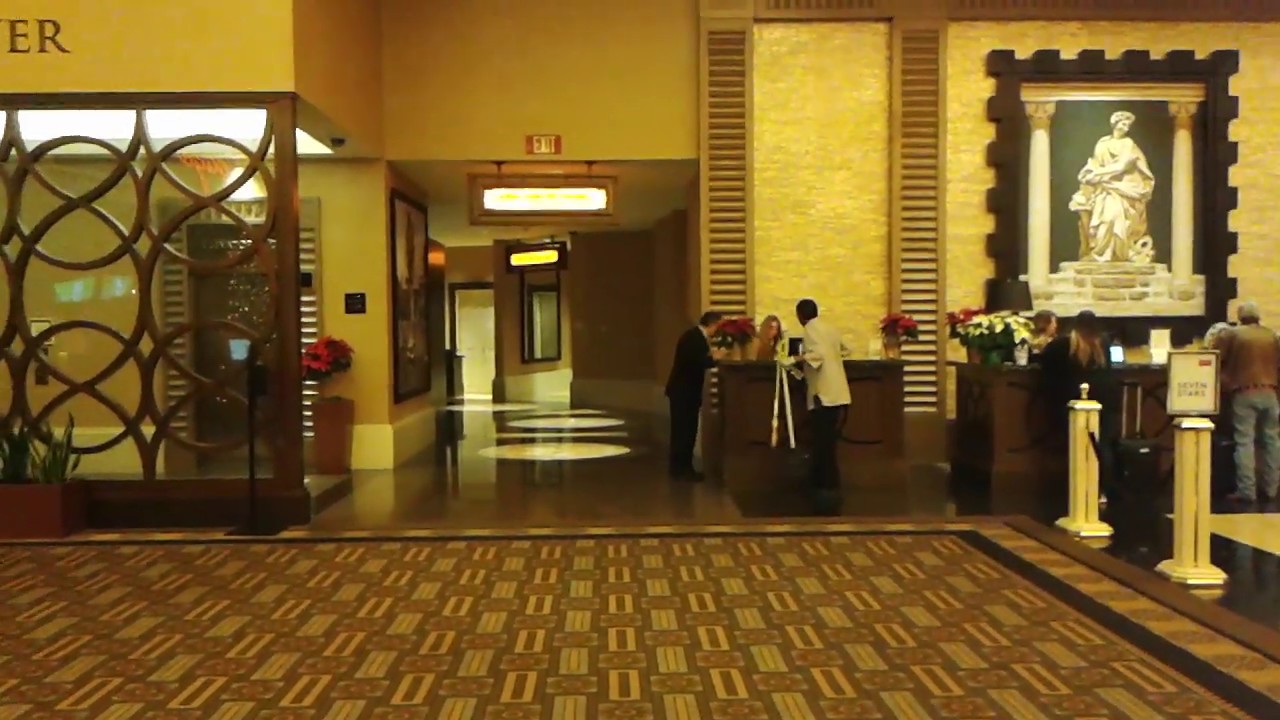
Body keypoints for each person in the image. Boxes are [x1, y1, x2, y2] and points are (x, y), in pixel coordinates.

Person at [1039, 310, 1120, 494]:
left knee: (1077, 445)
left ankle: (1079, 488)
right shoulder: (1104, 343)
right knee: (1103, 445)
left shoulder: (1062, 344)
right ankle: (1102, 489)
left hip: (1073, 401)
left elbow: (1045, 367)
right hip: (1106, 401)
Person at [1213, 301, 1280, 504]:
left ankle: (1247, 490)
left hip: (1245, 392)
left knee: (1245, 441)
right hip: (1270, 392)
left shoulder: (1232, 335)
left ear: (1240, 317)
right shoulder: (1271, 335)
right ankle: (1271, 489)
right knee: (1272, 441)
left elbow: (1214, 355)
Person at [793, 299, 850, 509]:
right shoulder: (829, 328)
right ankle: (829, 484)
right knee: (828, 442)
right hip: (838, 391)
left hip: (823, 394)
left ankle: (826, 487)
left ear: (800, 315)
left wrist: (798, 359)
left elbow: (817, 356)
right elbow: (846, 349)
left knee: (822, 443)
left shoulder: (810, 329)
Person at [664, 311, 723, 481]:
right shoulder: (694, 338)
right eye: (718, 326)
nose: (718, 331)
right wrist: (715, 358)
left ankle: (680, 468)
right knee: (685, 432)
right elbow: (697, 362)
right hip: (684, 393)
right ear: (713, 324)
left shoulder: (694, 336)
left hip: (684, 392)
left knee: (684, 431)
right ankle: (682, 469)